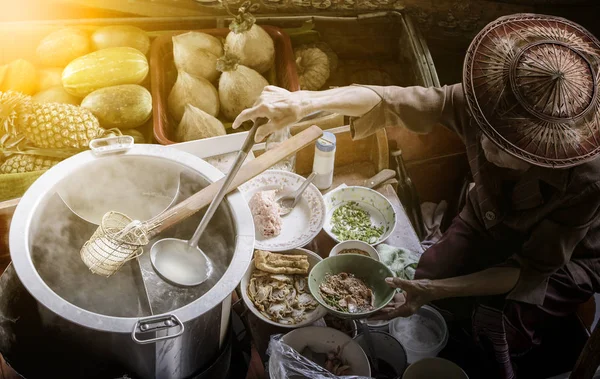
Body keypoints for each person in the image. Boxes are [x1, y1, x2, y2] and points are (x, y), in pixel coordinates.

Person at [233, 13, 600, 378]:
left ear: (545, 154)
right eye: (486, 131)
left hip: (562, 263)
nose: (486, 145)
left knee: (505, 322)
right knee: (427, 279)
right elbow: (395, 100)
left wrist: (437, 289)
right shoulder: (488, 103)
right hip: (488, 214)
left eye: (508, 148)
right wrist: (305, 102)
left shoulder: (584, 180)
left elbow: (529, 271)